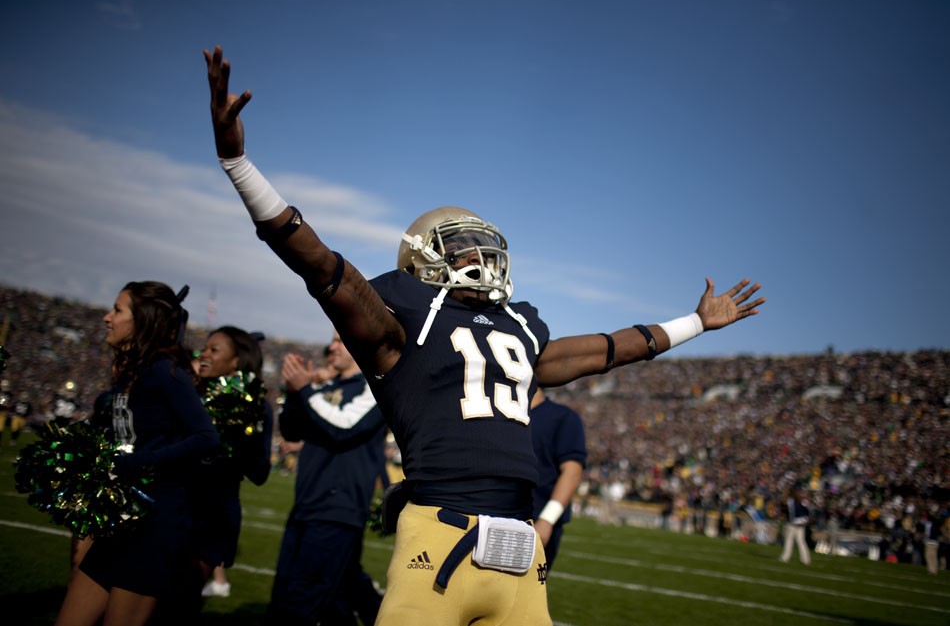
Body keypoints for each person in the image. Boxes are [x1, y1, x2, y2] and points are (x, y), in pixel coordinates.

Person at [204, 44, 765, 626]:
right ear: (421, 261)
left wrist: (696, 322)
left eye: (479, 242)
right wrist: (239, 164)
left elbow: (607, 348)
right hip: (438, 539)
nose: (477, 253)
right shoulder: (400, 322)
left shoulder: (518, 326)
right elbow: (321, 265)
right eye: (459, 245)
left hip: (521, 549)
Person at [54, 281, 219, 626]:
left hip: (154, 527)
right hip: (120, 521)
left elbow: (206, 437)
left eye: (117, 310)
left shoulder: (166, 371)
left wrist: (130, 464)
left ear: (142, 320)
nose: (106, 317)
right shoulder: (133, 371)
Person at [269, 332, 386, 626]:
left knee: (299, 603)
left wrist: (307, 389)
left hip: (338, 509)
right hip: (308, 502)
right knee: (330, 601)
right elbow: (292, 431)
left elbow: (344, 427)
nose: (330, 347)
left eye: (340, 340)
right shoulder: (325, 386)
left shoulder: (375, 387)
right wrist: (294, 393)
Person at [192, 326, 274, 599]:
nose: (204, 353)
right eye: (204, 348)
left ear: (236, 361)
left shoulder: (257, 406)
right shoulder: (188, 393)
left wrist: (240, 430)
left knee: (179, 603)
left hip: (214, 513)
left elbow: (260, 472)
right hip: (172, 506)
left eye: (214, 350)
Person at [530, 389, 586, 570]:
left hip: (534, 520)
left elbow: (572, 471)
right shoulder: (500, 414)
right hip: (493, 517)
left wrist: (546, 520)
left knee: (524, 594)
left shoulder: (562, 417)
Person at [779, 488, 812, 565]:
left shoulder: (791, 501)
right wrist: (806, 518)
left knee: (790, 540)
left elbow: (792, 512)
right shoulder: (802, 501)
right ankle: (805, 559)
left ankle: (786, 557)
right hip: (799, 523)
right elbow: (807, 511)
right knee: (799, 541)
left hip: (794, 523)